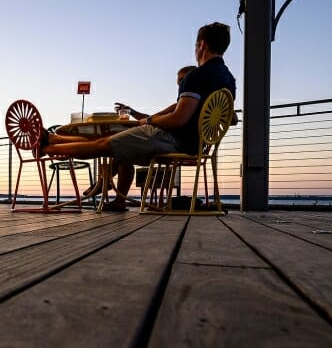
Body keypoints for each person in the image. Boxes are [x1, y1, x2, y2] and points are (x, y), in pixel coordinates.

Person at [43, 22, 236, 212]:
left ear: (202, 45)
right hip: (197, 145)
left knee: (103, 145)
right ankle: (53, 141)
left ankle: (47, 147)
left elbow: (179, 119)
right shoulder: (229, 80)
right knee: (113, 145)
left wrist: (149, 121)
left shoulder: (196, 77)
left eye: (196, 46)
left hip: (172, 140)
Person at [114, 65, 196, 120]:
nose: (181, 85)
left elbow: (150, 119)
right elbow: (151, 118)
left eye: (183, 80)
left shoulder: (180, 109)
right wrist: (131, 111)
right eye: (179, 82)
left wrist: (147, 121)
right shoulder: (178, 106)